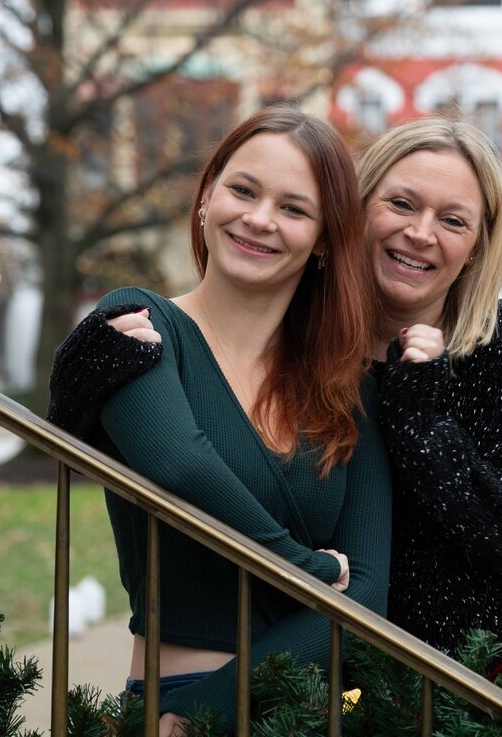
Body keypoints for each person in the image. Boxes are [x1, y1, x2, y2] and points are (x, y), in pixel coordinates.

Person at [53, 117, 502, 656]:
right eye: (402, 204)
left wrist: (421, 426)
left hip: (449, 678)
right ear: (352, 215)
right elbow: (146, 449)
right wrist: (76, 377)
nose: (420, 232)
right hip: (308, 680)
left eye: (453, 221)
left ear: (478, 246)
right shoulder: (294, 339)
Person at [49, 107, 392, 735]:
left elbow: (367, 597)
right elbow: (179, 464)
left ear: (322, 239)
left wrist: (207, 711)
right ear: (207, 197)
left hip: (299, 715)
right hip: (168, 702)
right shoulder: (139, 325)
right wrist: (309, 569)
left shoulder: (346, 386)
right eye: (243, 190)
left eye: (294, 208)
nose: (259, 219)